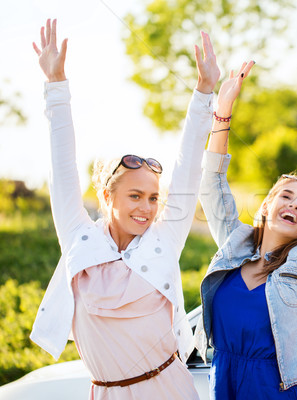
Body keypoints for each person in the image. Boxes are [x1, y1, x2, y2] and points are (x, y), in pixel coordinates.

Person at [30, 19, 220, 399]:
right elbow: (62, 168)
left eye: (153, 198)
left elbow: (187, 168)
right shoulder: (79, 238)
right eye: (135, 196)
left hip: (169, 389)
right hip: (107, 392)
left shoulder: (164, 239)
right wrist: (56, 86)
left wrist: (204, 91)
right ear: (106, 196)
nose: (147, 208)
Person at [195, 64, 297, 399]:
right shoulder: (234, 244)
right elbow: (211, 184)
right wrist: (222, 115)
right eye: (286, 196)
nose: (294, 205)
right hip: (224, 384)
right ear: (266, 206)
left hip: (277, 389)